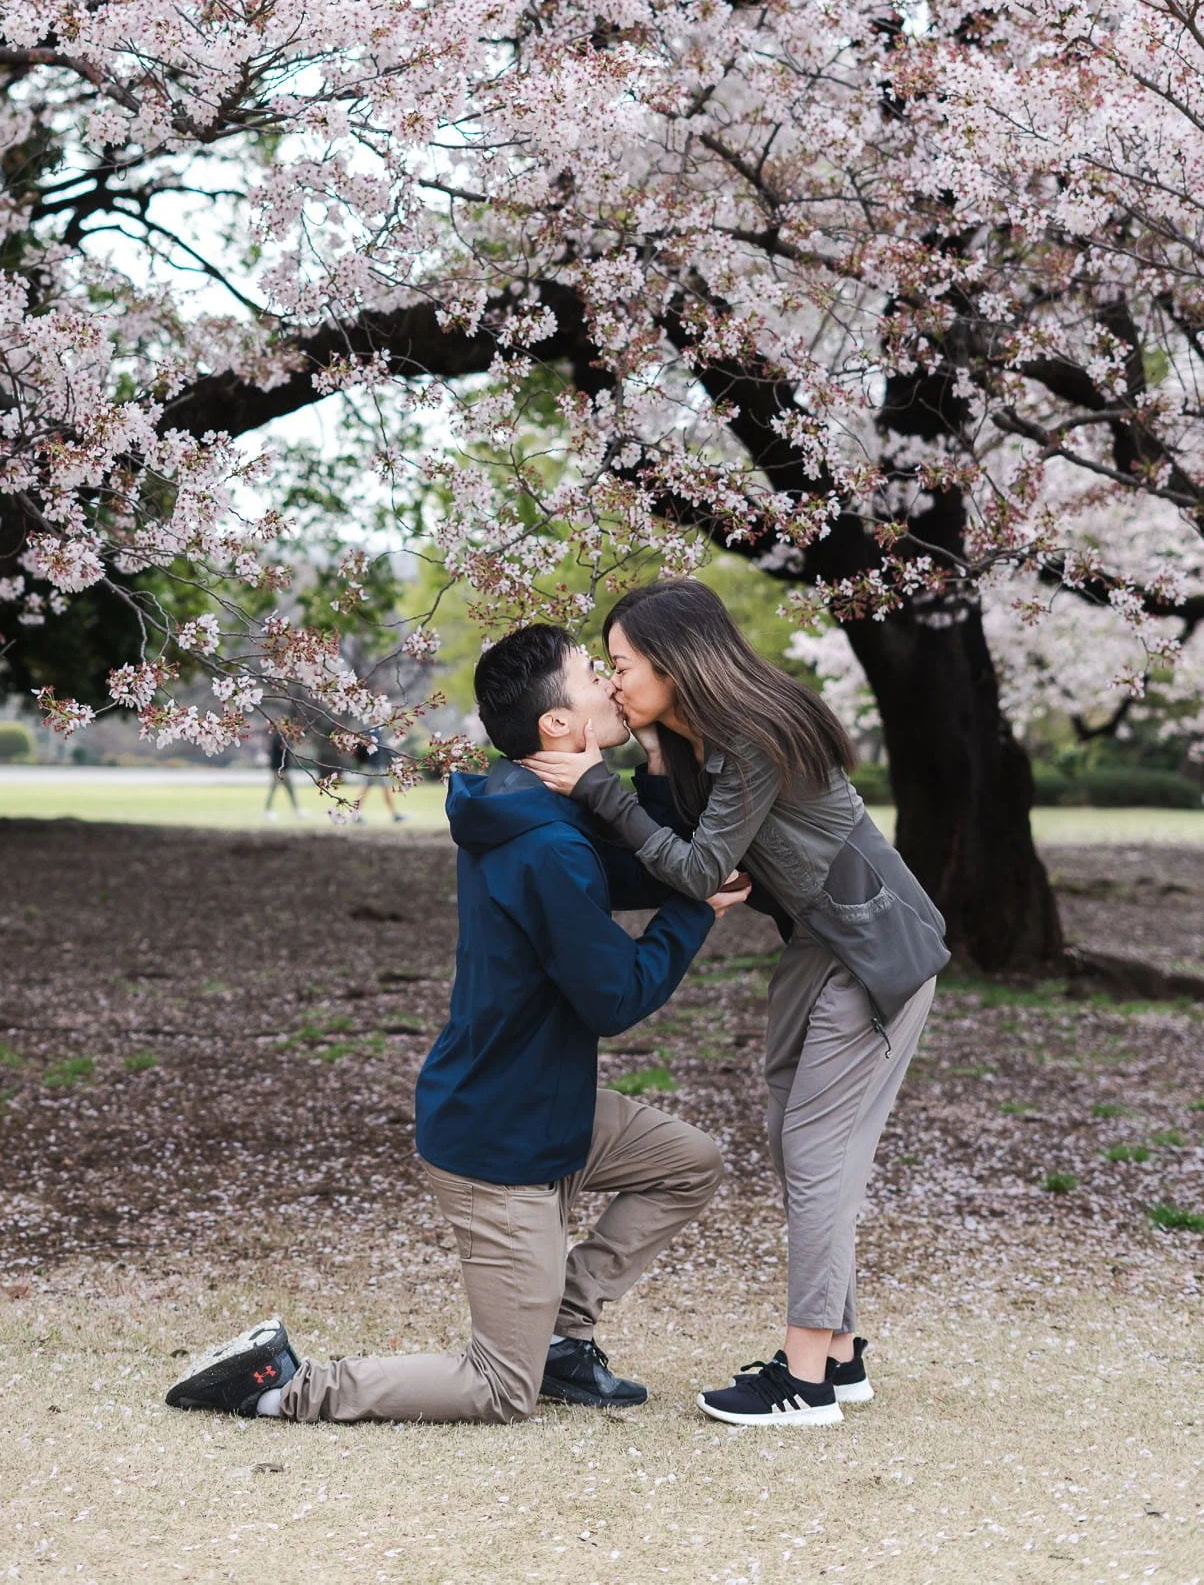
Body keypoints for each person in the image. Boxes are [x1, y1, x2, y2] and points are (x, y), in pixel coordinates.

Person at [165, 623, 749, 1425]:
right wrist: (691, 910)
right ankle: (278, 1385)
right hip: (499, 1145)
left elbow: (631, 865)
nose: (613, 683)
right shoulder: (545, 843)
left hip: (541, 1107)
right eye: (592, 674)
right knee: (499, 1388)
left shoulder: (526, 804)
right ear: (558, 725)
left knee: (689, 1162)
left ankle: (562, 1337)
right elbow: (616, 998)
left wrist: (652, 758)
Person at [522, 579, 949, 1428]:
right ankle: (839, 1352)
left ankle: (805, 1381)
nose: (612, 684)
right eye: (607, 670)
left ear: (677, 664)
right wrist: (642, 751)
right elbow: (672, 844)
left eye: (624, 667)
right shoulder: (698, 741)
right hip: (820, 947)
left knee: (817, 1153)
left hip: (874, 952)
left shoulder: (753, 736)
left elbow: (694, 869)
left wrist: (596, 784)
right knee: (798, 1147)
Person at [351, 728, 408, 822]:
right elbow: (383, 748)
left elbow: (383, 748)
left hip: (371, 766)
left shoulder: (372, 730)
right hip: (375, 767)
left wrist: (397, 755)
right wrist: (397, 756)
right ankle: (395, 815)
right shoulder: (374, 731)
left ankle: (355, 814)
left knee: (364, 791)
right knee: (375, 791)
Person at [262, 727, 301, 820]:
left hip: (284, 769)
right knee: (274, 789)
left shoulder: (282, 737)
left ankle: (297, 810)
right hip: (279, 770)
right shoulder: (278, 738)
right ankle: (268, 811)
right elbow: (284, 748)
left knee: (290, 790)